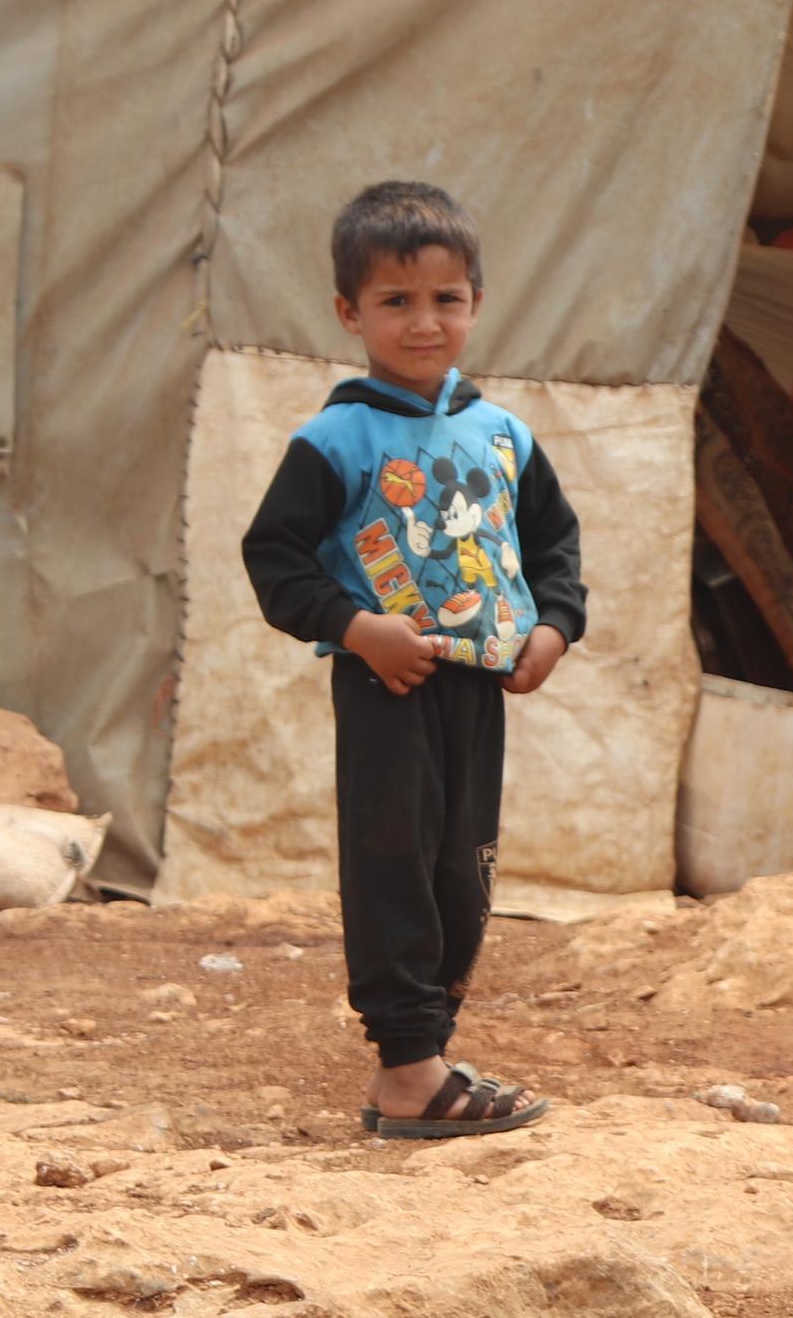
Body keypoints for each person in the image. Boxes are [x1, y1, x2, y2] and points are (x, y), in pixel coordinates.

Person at [241, 181, 585, 1139]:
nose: (424, 322)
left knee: (461, 868)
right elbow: (275, 559)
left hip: (480, 687)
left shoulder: (504, 436)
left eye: (446, 299)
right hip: (388, 682)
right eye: (395, 301)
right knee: (392, 861)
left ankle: (429, 1052)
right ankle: (406, 1067)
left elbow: (556, 548)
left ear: (476, 302)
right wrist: (358, 629)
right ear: (351, 313)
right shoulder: (335, 438)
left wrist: (553, 629)